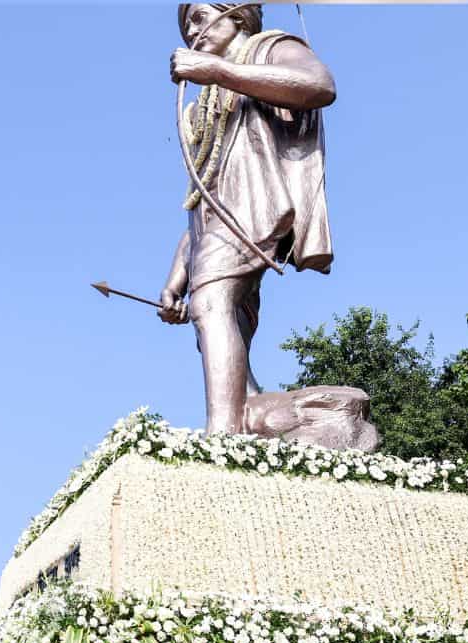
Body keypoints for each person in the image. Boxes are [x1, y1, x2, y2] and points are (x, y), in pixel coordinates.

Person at [159, 3, 337, 434]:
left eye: (200, 17)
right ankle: (252, 411)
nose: (192, 31)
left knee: (213, 303)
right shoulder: (199, 105)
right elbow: (202, 195)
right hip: (217, 219)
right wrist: (176, 277)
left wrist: (219, 71)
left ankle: (222, 435)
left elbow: (319, 84)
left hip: (256, 200)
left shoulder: (269, 47)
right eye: (186, 26)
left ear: (236, 15)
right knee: (218, 319)